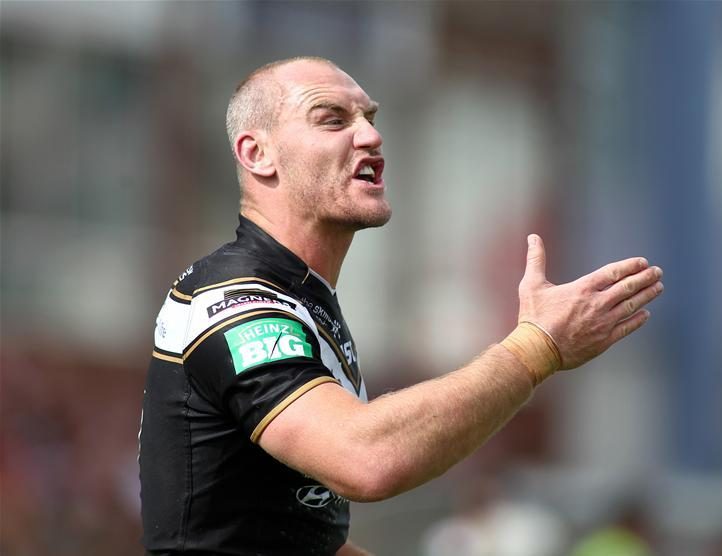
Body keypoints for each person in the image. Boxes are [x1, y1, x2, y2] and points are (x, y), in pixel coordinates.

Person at [138, 56, 664, 556]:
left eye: (369, 118)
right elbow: (363, 457)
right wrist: (536, 348)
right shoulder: (235, 300)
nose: (370, 136)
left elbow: (295, 542)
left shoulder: (302, 297)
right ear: (257, 154)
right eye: (332, 119)